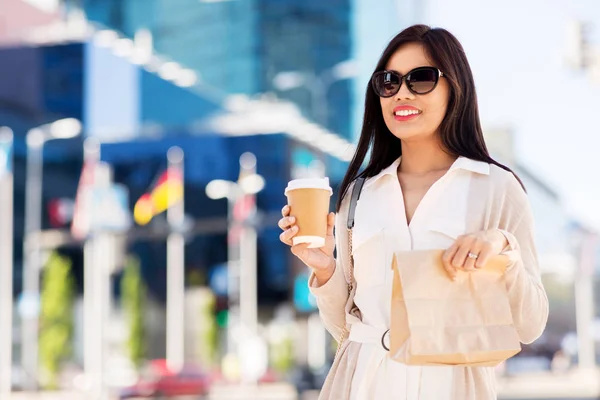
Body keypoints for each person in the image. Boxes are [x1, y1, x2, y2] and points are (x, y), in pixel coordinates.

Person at [278, 24, 549, 400]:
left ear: (455, 88)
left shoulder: (495, 188)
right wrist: (324, 268)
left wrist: (503, 249)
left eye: (420, 79)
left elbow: (530, 325)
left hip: (451, 387)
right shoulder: (358, 194)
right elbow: (345, 327)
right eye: (389, 82)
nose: (401, 93)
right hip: (361, 386)